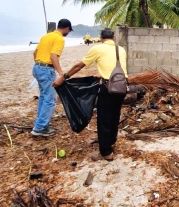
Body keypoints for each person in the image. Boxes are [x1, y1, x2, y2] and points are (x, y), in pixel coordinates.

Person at [54, 28, 128, 161]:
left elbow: (79, 66)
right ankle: (111, 141)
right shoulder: (120, 50)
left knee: (104, 119)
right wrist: (101, 73)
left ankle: (106, 152)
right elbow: (116, 68)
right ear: (114, 38)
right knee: (114, 115)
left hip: (108, 88)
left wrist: (64, 77)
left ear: (101, 39)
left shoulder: (97, 49)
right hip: (122, 87)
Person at [31, 18, 73, 137]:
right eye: (69, 31)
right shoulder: (59, 38)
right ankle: (40, 128)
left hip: (37, 67)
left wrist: (40, 64)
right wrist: (60, 73)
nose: (68, 33)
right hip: (46, 69)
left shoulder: (46, 36)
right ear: (67, 28)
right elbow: (54, 56)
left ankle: (40, 123)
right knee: (50, 99)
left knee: (44, 97)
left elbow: (35, 53)